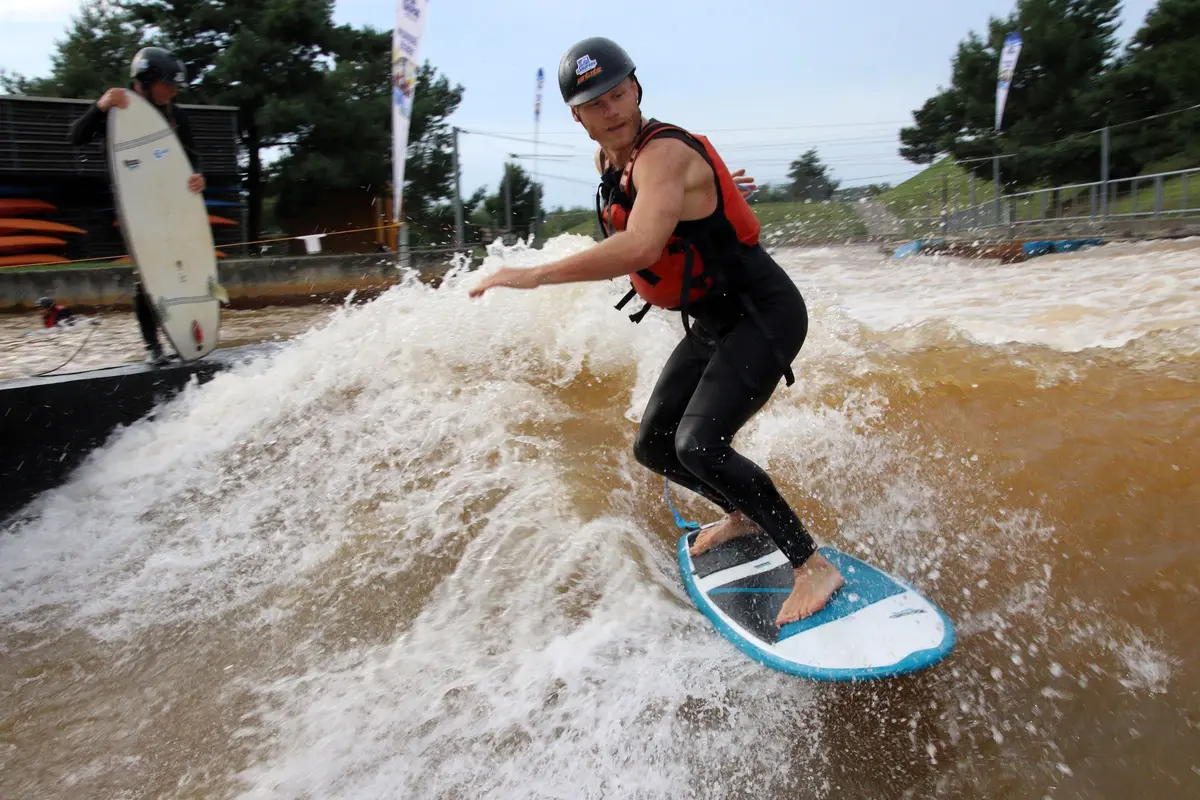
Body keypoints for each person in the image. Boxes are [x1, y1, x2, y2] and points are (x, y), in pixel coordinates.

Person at [470, 38, 844, 625]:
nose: (611, 109)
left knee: (699, 445)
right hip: (716, 319)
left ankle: (811, 564)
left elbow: (642, 245)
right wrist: (713, 194)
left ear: (637, 89)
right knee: (654, 444)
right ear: (578, 116)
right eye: (595, 103)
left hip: (763, 311)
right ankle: (741, 514)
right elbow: (665, 215)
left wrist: (534, 275)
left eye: (619, 93)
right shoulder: (609, 164)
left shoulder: (662, 154)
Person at [67, 46, 206, 366]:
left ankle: (184, 335)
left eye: (176, 86)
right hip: (137, 207)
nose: (173, 90)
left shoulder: (175, 113)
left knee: (182, 268)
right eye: (167, 84)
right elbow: (76, 137)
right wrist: (99, 107)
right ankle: (153, 346)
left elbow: (192, 154)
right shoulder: (119, 108)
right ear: (146, 79)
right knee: (149, 275)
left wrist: (198, 174)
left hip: (172, 203)